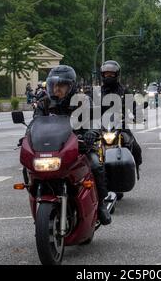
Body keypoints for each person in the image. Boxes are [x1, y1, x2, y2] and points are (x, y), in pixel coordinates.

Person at [35, 65, 112, 225]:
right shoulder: (44, 103)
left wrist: (92, 133)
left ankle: (101, 205)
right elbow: (34, 124)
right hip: (53, 148)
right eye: (54, 85)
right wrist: (27, 137)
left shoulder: (83, 101)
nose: (57, 89)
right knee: (30, 168)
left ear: (71, 86)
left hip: (80, 146)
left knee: (96, 165)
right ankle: (36, 195)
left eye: (61, 85)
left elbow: (95, 121)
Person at [99, 61, 143, 179]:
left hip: (119, 124)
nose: (108, 76)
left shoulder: (124, 91)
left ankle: (135, 169)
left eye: (111, 74)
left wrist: (137, 114)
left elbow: (133, 104)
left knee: (136, 147)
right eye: (106, 74)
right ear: (102, 75)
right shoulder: (97, 92)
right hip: (100, 125)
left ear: (117, 75)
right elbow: (87, 107)